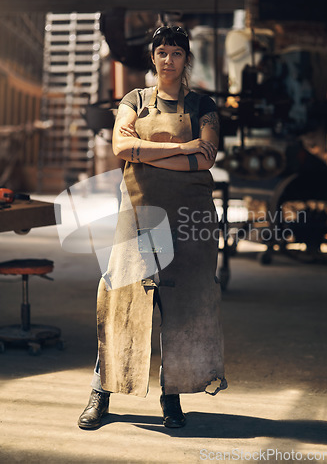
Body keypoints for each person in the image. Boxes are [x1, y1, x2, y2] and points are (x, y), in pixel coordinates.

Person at [78, 25, 227, 430]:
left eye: (176, 53)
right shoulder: (135, 100)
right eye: (161, 52)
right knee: (121, 301)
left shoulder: (202, 105)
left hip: (188, 217)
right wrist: (181, 148)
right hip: (140, 215)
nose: (167, 60)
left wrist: (148, 155)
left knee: (179, 308)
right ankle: (101, 391)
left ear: (185, 59)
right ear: (153, 57)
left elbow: (207, 157)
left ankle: (171, 397)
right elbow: (121, 148)